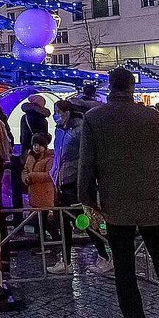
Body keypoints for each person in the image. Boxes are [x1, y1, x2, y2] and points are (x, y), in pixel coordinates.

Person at [79, 67, 159, 318]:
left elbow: (86, 165)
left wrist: (87, 199)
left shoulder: (94, 118)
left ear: (109, 86)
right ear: (132, 87)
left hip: (116, 206)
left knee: (125, 272)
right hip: (153, 202)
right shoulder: (152, 117)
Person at [50, 97, 110, 275]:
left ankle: (104, 255)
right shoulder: (60, 130)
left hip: (75, 180)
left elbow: (85, 156)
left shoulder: (79, 130)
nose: (55, 116)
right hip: (62, 180)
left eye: (58, 112)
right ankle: (66, 260)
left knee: (85, 221)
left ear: (67, 113)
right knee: (64, 223)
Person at [22, 131, 56, 209]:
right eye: (35, 145)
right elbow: (25, 170)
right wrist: (25, 178)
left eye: (40, 145)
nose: (37, 147)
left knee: (43, 218)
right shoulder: (30, 157)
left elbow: (49, 175)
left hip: (45, 196)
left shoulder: (50, 158)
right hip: (33, 196)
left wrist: (31, 176)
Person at [18, 94, 51, 159]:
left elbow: (23, 135)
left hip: (25, 148)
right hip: (38, 149)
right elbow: (43, 137)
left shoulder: (24, 117)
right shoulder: (42, 120)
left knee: (27, 167)